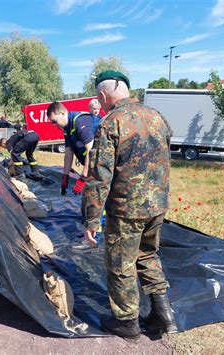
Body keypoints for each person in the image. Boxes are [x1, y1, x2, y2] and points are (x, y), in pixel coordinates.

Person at [81, 70, 177, 341]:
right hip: (157, 205)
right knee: (148, 254)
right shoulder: (157, 116)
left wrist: (90, 220)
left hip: (127, 210)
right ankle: (163, 315)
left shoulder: (111, 123)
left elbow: (99, 177)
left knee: (121, 264)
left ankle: (126, 322)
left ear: (102, 96)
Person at [46, 102, 95, 195]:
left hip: (102, 164)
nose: (55, 126)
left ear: (63, 113)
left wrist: (83, 178)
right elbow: (68, 153)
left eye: (55, 122)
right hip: (92, 167)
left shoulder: (80, 122)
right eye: (52, 123)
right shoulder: (67, 128)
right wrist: (65, 177)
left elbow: (91, 151)